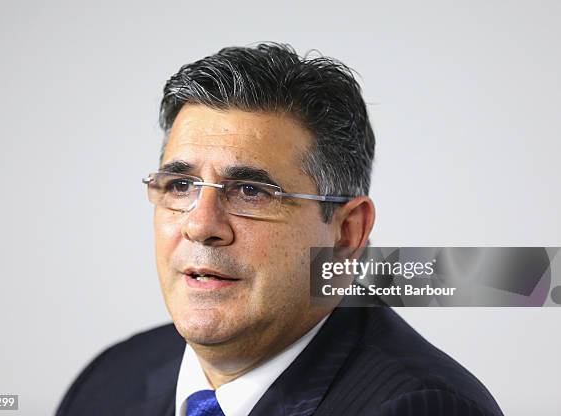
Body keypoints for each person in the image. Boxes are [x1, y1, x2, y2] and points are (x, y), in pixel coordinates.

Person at [56, 43, 504, 416]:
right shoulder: (109, 381)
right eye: (180, 185)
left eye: (250, 191)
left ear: (347, 233)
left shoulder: (423, 407)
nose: (200, 225)